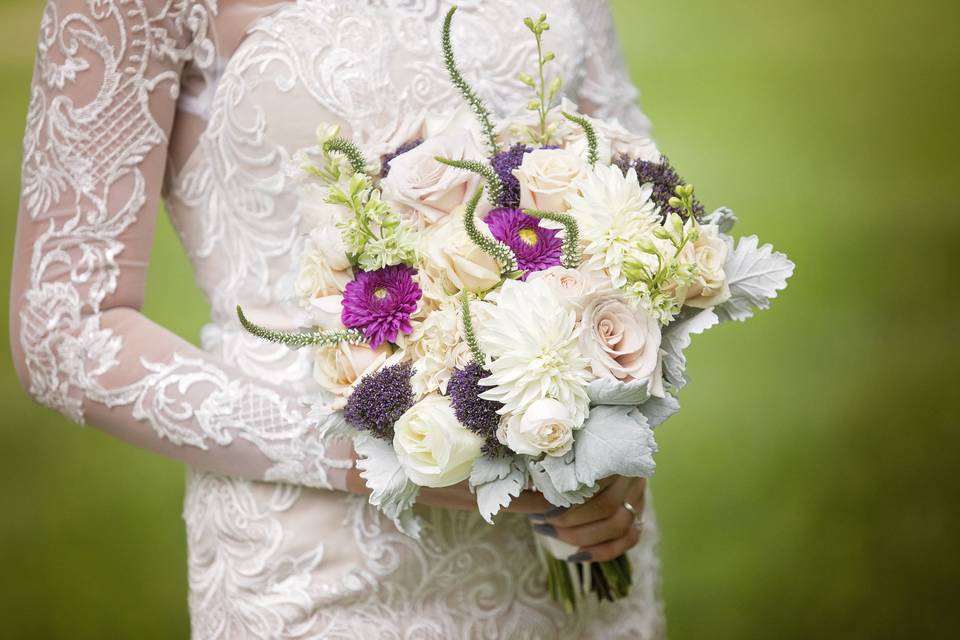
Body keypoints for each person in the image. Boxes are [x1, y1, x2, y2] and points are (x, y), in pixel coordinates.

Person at [10, 1, 664, 637]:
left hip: (582, 517)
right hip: (325, 557)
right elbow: (65, 325)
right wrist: (400, 458)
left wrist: (615, 424)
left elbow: (636, 187)